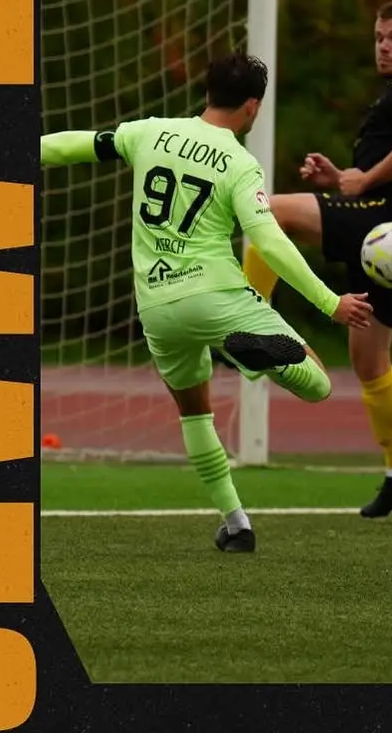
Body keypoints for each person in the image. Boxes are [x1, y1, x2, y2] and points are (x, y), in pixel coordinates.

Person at [40, 51, 372, 554]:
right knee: (318, 383)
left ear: (208, 91)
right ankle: (246, 354)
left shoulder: (150, 132)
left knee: (194, 413)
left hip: (157, 306)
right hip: (217, 296)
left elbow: (76, 146)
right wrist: (331, 303)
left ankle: (236, 524)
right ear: (253, 106)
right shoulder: (239, 163)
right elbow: (270, 241)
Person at [242, 1, 392, 517]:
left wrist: (365, 180)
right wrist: (341, 179)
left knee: (270, 211)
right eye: (379, 37)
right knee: (370, 363)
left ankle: (248, 320)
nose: (384, 46)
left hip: (387, 225)